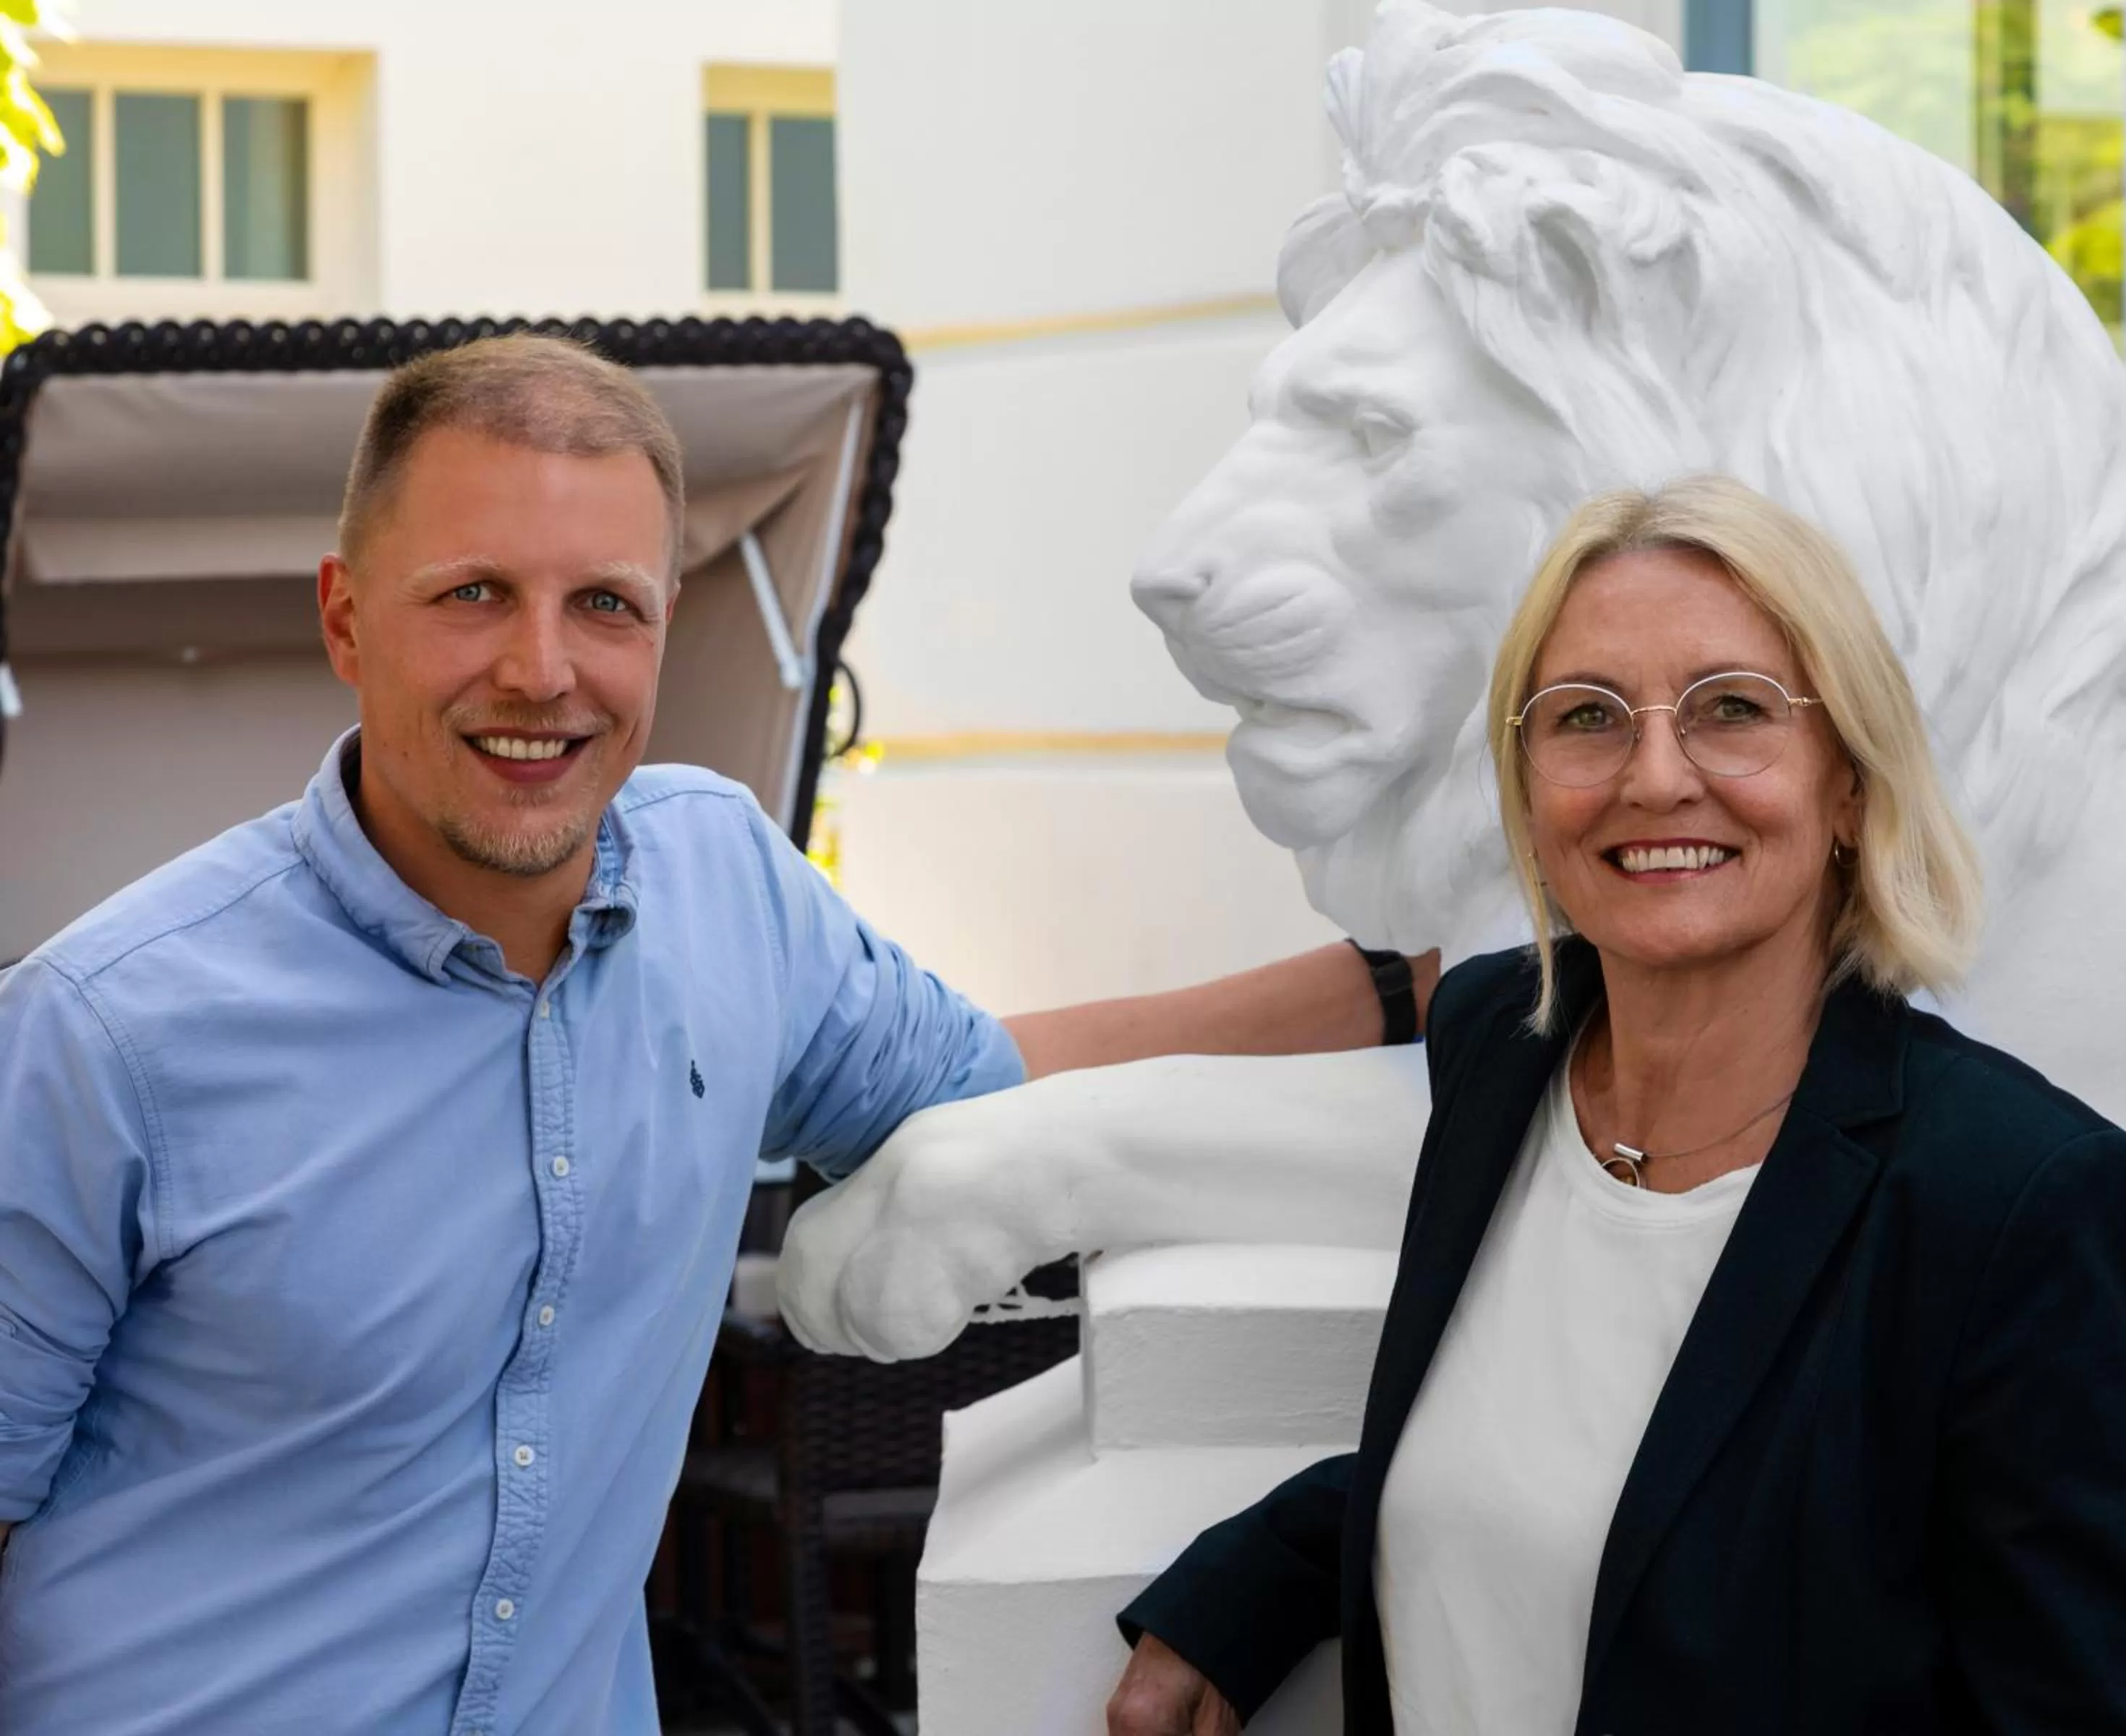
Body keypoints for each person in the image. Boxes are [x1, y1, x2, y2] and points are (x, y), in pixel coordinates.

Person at [0, 334, 1437, 1736]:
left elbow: (990, 1076)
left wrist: (1400, 991)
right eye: (474, 594)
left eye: (606, 606)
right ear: (344, 619)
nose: (541, 670)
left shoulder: (724, 890)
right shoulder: (102, 1032)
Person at [1107, 476, 2126, 1735]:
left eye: (1733, 710)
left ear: (1848, 784)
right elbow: (1591, 1461)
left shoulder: (2028, 1205)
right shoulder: (1500, 1050)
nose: (1656, 778)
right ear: (1528, 782)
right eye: (1587, 718)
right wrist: (1258, 1580)